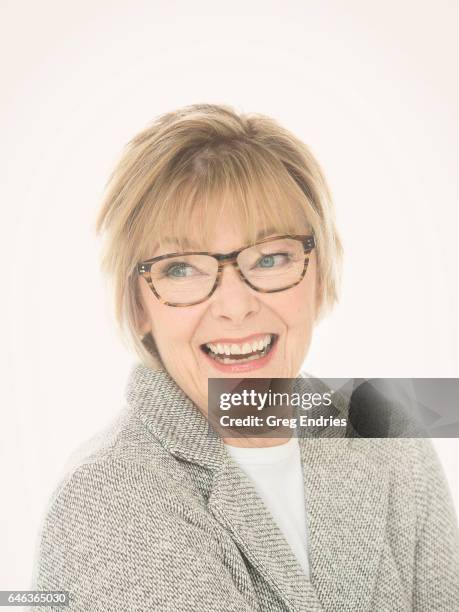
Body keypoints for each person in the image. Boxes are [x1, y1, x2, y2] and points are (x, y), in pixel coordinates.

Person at [30, 103, 459, 611]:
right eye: (181, 269)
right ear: (139, 305)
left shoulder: (385, 421)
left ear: (318, 274)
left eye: (271, 258)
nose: (235, 307)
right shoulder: (108, 498)